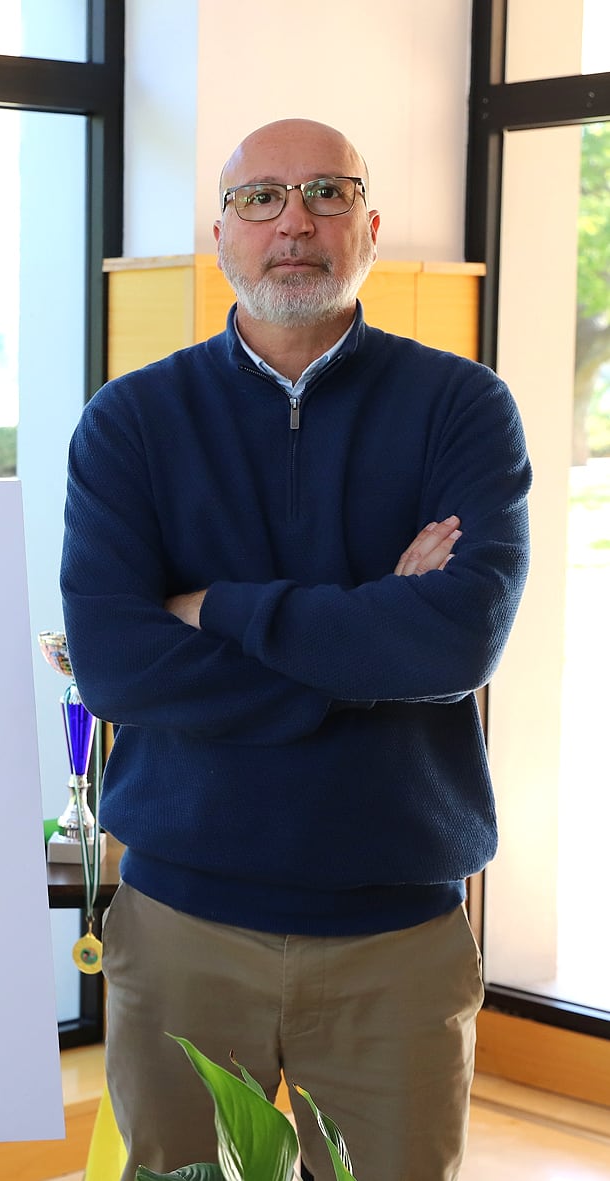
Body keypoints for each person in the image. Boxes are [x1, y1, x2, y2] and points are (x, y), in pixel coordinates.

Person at [60, 118, 531, 1181]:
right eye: (262, 199)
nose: (295, 223)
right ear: (220, 233)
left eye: (325, 194)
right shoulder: (131, 422)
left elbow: (456, 638)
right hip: (183, 923)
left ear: (367, 226)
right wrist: (367, 640)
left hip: (396, 933)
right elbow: (118, 664)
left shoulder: (462, 409)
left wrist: (214, 605)